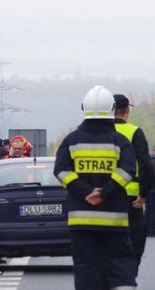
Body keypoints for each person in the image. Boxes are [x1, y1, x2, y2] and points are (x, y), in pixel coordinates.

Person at [54, 85, 137, 290]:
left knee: (85, 266)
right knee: (120, 262)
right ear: (112, 109)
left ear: (84, 108)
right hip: (114, 218)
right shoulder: (120, 141)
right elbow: (127, 170)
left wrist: (85, 192)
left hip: (81, 218)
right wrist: (105, 191)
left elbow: (61, 170)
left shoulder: (71, 141)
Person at [113, 94, 154, 275]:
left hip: (104, 198)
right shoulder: (134, 132)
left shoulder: (98, 133)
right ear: (127, 111)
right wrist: (143, 194)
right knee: (134, 242)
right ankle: (126, 279)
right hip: (131, 200)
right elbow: (146, 166)